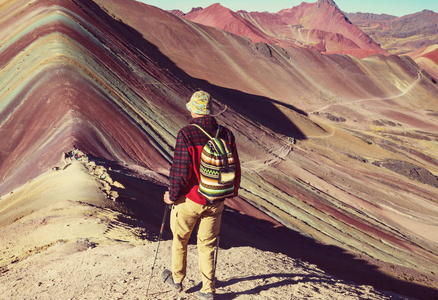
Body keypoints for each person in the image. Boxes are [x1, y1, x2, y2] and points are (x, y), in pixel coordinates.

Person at [162, 91, 241, 300]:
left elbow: (180, 171)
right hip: (216, 200)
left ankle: (177, 280)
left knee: (180, 239)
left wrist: (172, 195)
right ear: (210, 110)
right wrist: (229, 193)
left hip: (190, 200)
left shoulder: (187, 134)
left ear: (193, 110)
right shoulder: (226, 133)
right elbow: (235, 167)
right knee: (207, 245)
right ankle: (207, 289)